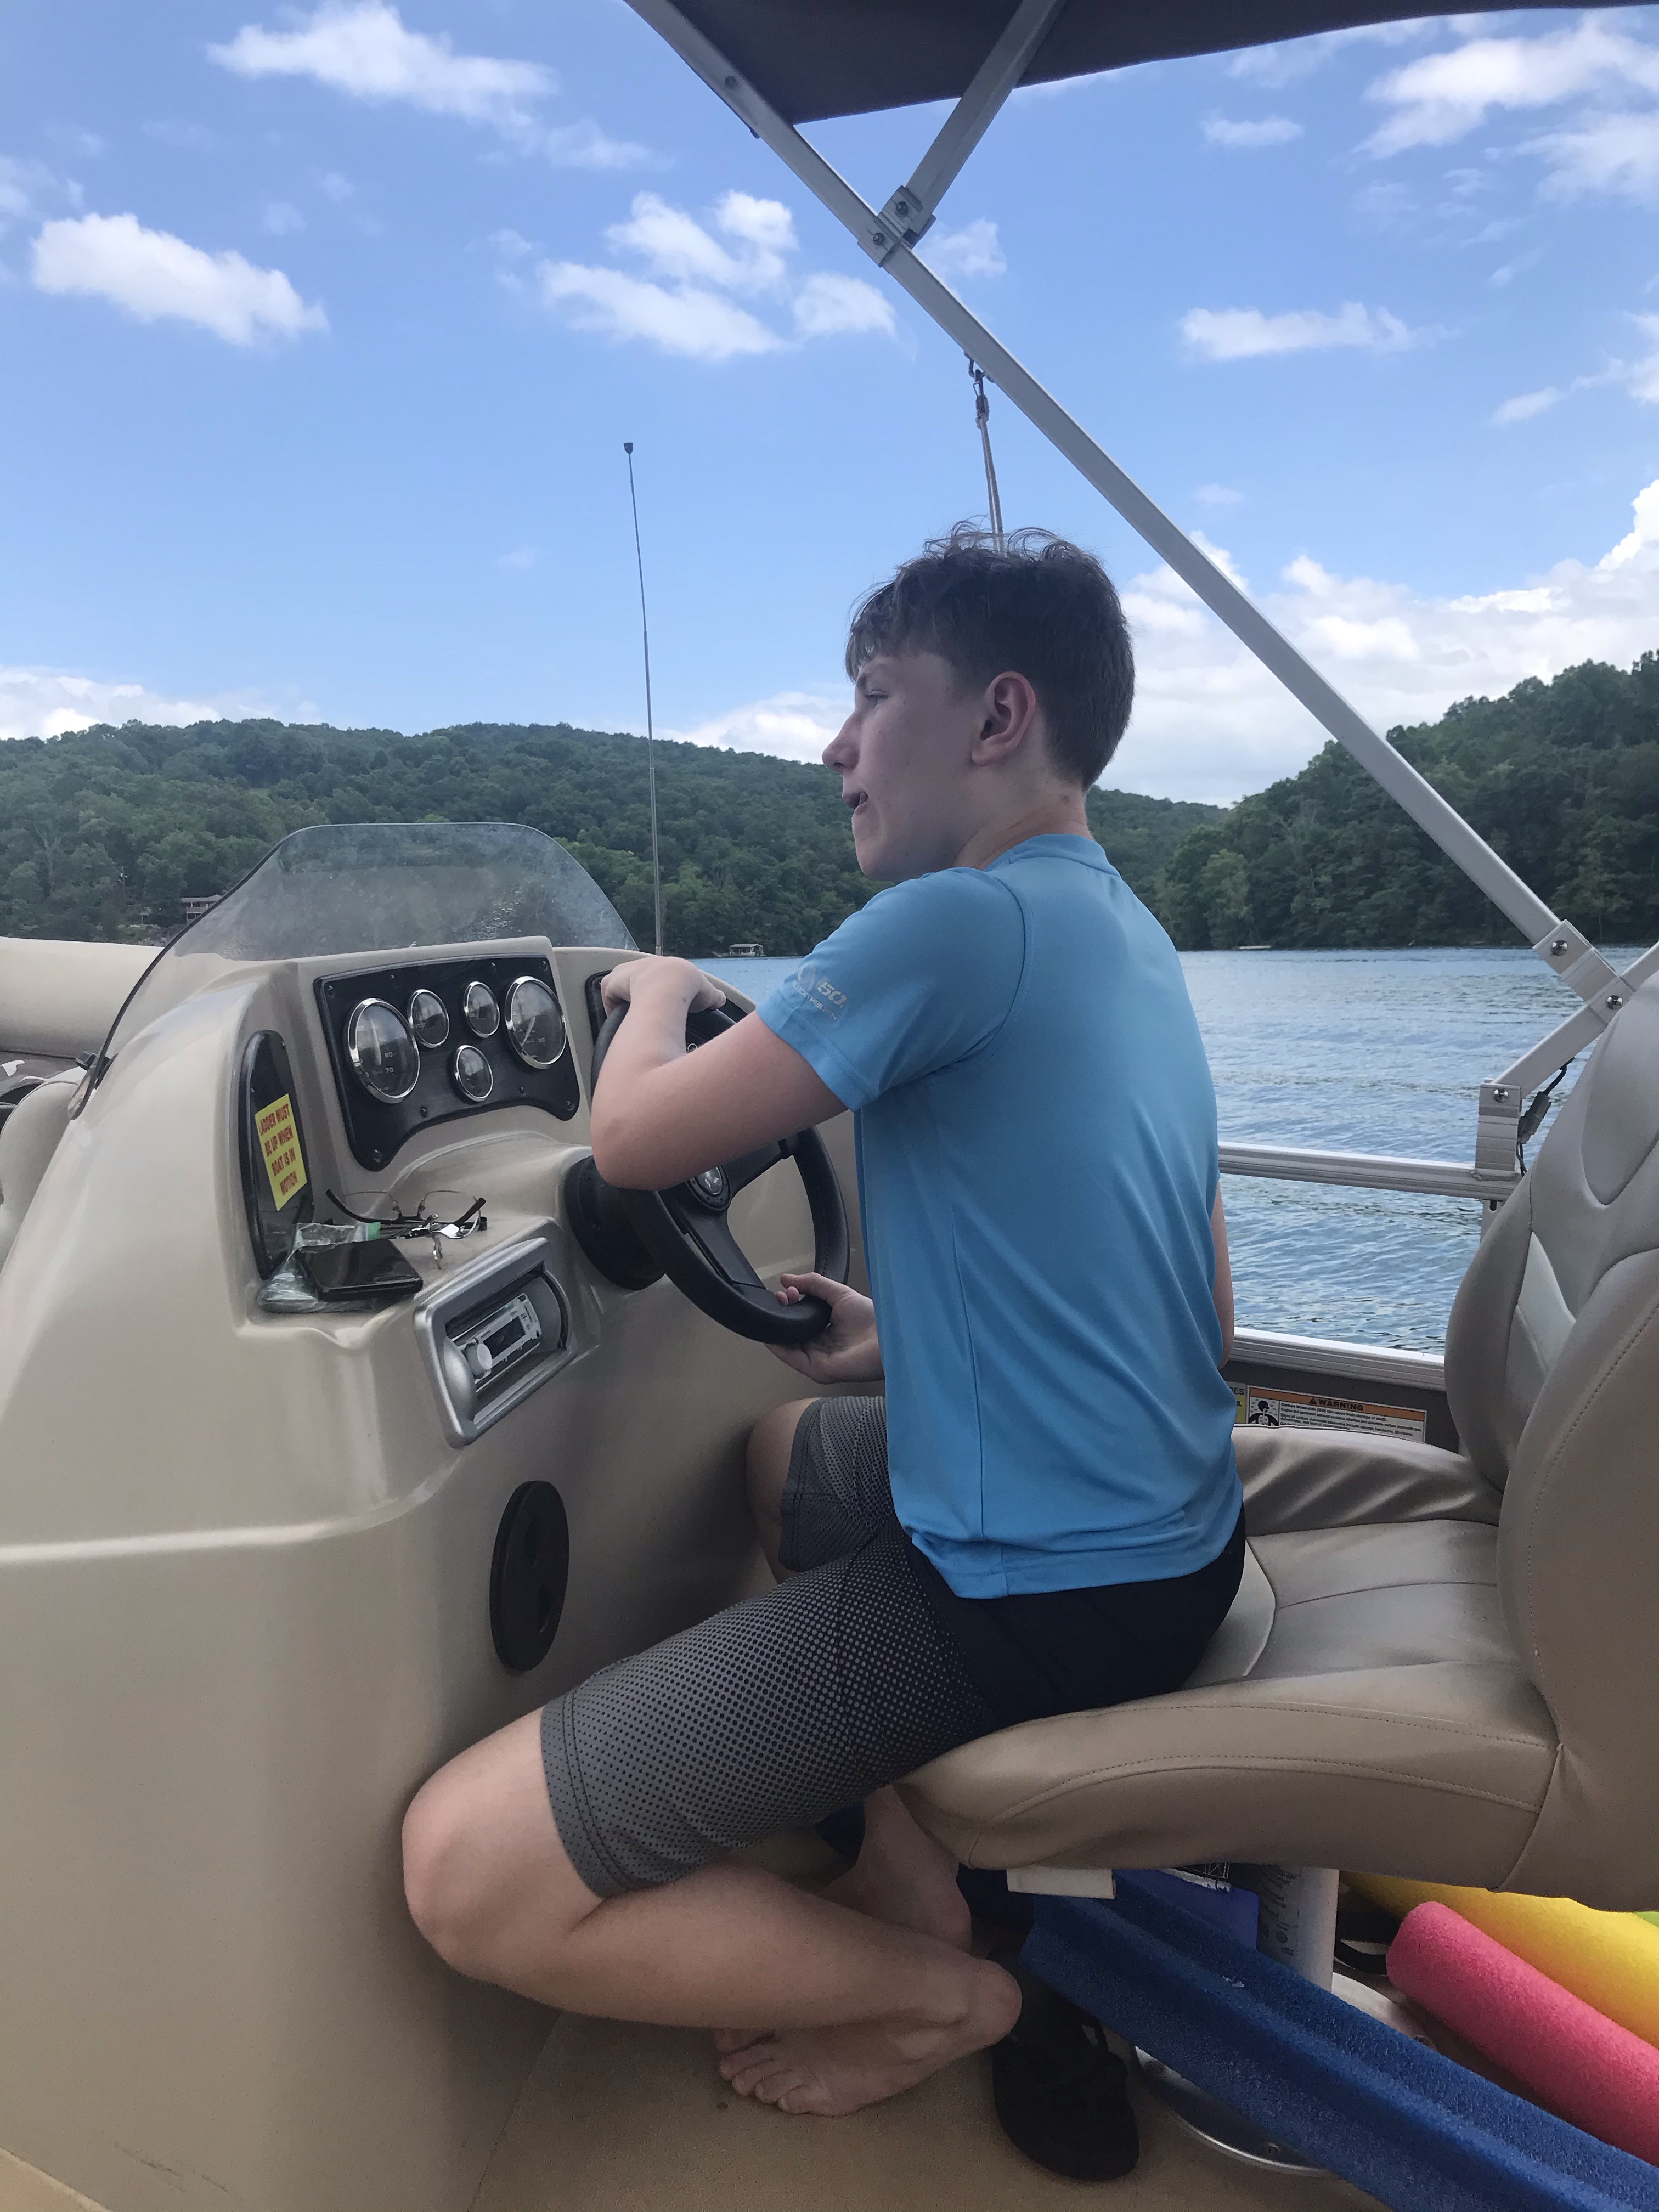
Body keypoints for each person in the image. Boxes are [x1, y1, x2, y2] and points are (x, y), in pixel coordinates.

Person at [402, 526, 1243, 2128]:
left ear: (997, 717)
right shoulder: (1126, 933)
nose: (836, 746)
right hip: (1174, 1550)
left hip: (1037, 1592)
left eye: (871, 696)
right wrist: (904, 1347)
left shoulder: (951, 924)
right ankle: (913, 1879)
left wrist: (652, 997)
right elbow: (1191, 1306)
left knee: (466, 1875)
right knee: (786, 1456)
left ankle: (951, 2001)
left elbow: (634, 1143)